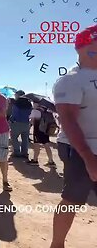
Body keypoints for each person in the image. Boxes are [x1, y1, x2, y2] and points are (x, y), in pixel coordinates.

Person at [50, 24, 97, 248]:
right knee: (72, 199)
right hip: (78, 149)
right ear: (83, 47)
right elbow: (68, 120)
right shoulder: (71, 79)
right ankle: (57, 244)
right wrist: (89, 158)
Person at [10, 90, 33, 159]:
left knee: (14, 138)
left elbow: (14, 114)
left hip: (17, 123)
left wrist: (11, 120)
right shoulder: (29, 103)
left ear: (18, 95)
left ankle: (17, 152)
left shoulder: (16, 103)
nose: (15, 96)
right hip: (26, 123)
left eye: (15, 94)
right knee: (25, 139)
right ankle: (24, 152)